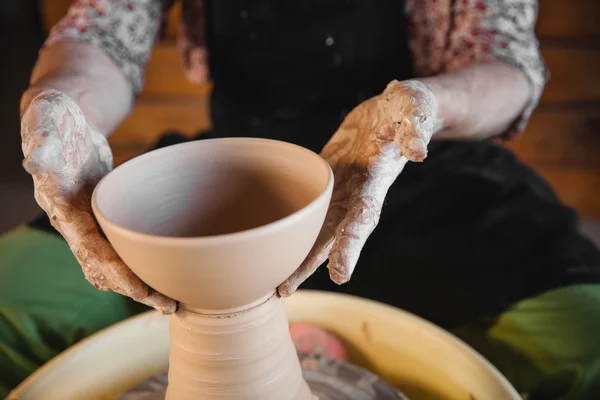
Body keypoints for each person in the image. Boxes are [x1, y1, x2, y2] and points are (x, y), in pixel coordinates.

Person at [2, 0, 600, 398]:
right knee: (12, 297)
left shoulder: (419, 128)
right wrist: (65, 106)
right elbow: (101, 33)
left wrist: (425, 108)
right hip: (241, 168)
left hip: (417, 156)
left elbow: (505, 61)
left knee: (586, 336)